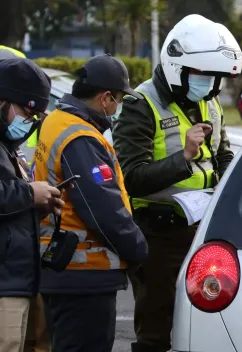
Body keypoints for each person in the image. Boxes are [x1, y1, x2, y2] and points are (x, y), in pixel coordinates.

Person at [112, 14, 242, 352]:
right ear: (177, 68)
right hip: (157, 234)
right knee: (157, 331)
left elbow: (221, 155)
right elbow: (132, 179)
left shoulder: (209, 102)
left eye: (216, 78)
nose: (211, 85)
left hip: (204, 229)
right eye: (203, 75)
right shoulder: (139, 106)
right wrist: (184, 157)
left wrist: (232, 185)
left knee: (210, 323)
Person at [32, 54, 148, 352]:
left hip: (62, 269)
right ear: (105, 97)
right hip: (85, 277)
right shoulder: (81, 137)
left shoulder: (56, 121)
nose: (117, 107)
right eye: (119, 100)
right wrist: (139, 251)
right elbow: (104, 210)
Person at [0, 57, 64, 352]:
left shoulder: (9, 148)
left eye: (38, 114)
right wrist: (29, 193)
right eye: (28, 111)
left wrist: (41, 202)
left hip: (19, 281)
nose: (32, 121)